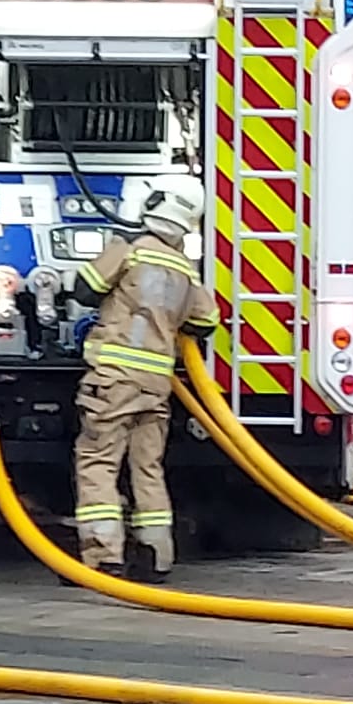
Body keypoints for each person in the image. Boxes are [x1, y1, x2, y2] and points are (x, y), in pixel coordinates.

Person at [67, 174, 219, 582]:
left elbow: (85, 288)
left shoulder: (129, 249)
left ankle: (104, 558)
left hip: (114, 378)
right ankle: (156, 556)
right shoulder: (185, 269)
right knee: (147, 467)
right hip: (156, 385)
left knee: (97, 463)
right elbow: (207, 323)